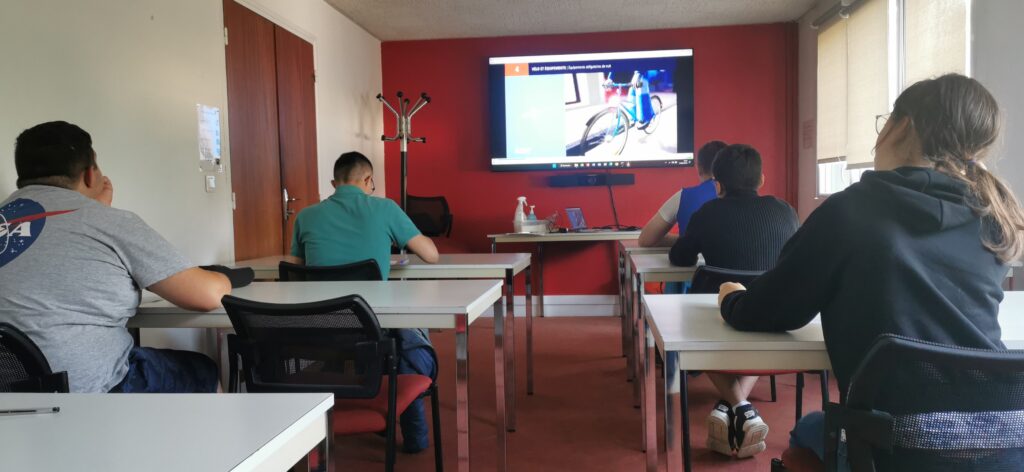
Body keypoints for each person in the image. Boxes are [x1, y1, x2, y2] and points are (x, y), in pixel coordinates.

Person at [717, 74, 1023, 465]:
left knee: (806, 429)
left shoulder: (851, 210)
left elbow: (775, 310)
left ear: (903, 126)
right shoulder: (993, 217)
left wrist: (733, 299)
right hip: (1004, 446)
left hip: (896, 449)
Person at [0, 121, 238, 393]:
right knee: (200, 370)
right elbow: (208, 296)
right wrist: (224, 278)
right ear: (90, 175)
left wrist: (94, 208)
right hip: (88, 391)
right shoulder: (108, 222)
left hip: (10, 398)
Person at [290, 151, 440, 453]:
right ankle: (415, 435)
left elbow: (294, 271)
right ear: (368, 180)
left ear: (334, 184)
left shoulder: (305, 216)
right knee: (414, 334)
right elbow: (431, 255)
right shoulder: (385, 208)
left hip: (321, 331)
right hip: (374, 329)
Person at [669, 144, 799, 458]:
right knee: (763, 336)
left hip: (712, 318)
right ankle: (740, 407)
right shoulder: (786, 212)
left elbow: (680, 257)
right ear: (762, 179)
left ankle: (738, 404)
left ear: (717, 185)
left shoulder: (707, 213)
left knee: (686, 330)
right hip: (769, 315)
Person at [638, 140, 728, 248]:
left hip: (690, 257)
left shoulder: (683, 197)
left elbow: (645, 240)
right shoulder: (744, 199)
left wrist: (686, 240)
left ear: (699, 168)